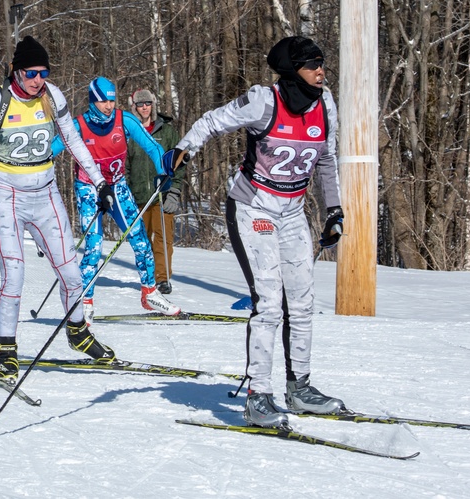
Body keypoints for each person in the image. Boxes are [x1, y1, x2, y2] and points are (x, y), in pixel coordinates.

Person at [165, 36, 346, 429]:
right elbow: (213, 121)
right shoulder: (264, 101)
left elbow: (328, 159)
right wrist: (184, 149)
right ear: (291, 70)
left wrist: (334, 210)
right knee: (268, 301)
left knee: (301, 303)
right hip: (253, 207)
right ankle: (258, 396)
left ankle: (299, 389)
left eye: (322, 63)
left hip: (293, 211)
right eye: (312, 64)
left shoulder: (325, 104)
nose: (321, 70)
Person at [0, 36, 118, 382]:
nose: (38, 80)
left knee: (72, 273)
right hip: (4, 195)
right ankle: (7, 350)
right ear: (15, 72)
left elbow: (73, 141)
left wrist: (99, 182)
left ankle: (78, 332)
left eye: (43, 73)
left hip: (46, 195)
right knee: (14, 275)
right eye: (31, 73)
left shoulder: (52, 96)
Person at [52, 77, 180, 322]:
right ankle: (85, 302)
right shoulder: (78, 125)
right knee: (94, 247)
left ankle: (149, 292)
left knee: (141, 241)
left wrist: (164, 170)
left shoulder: (125, 120)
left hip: (118, 187)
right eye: (102, 101)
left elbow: (153, 147)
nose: (108, 106)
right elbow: (50, 151)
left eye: (111, 100)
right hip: (89, 190)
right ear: (92, 101)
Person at [126, 88, 185, 295]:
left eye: (148, 104)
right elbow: (125, 166)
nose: (144, 108)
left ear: (153, 105)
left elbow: (178, 162)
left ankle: (162, 279)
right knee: (143, 241)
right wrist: (124, 193)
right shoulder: (129, 131)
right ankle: (148, 278)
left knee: (163, 239)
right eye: (140, 104)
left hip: (163, 194)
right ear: (134, 107)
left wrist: (175, 190)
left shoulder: (166, 131)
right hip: (138, 195)